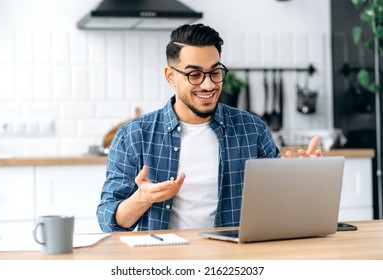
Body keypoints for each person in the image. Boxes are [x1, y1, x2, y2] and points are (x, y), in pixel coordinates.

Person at [97, 23, 322, 232]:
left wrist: (301, 181)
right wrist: (142, 199)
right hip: (165, 261)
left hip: (236, 263)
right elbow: (109, 222)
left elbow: (277, 206)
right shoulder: (134, 136)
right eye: (194, 75)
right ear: (170, 76)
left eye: (215, 73)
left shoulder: (252, 129)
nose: (209, 84)